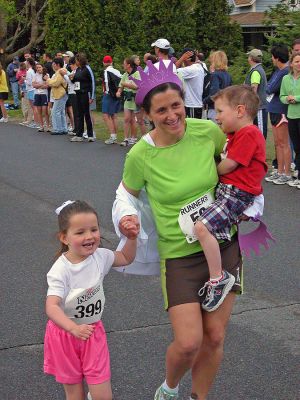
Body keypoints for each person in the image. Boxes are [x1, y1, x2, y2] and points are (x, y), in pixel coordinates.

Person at [115, 59, 246, 400]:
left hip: (221, 245)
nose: (172, 115)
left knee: (215, 336)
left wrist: (247, 202)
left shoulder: (208, 132)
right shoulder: (141, 154)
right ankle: (169, 388)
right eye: (161, 110)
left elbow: (240, 164)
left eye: (176, 105)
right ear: (147, 115)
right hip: (179, 255)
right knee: (189, 342)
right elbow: (125, 195)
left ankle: (198, 397)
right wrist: (126, 218)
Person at [44, 200, 138, 400]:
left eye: (93, 229)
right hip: (65, 336)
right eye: (80, 232)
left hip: (92, 333)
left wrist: (131, 238)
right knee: (74, 394)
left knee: (102, 395)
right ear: (64, 237)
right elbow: (52, 307)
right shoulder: (61, 270)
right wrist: (72, 328)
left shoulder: (101, 257)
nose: (89, 236)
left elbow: (125, 258)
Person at [194, 85, 267, 312]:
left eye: (219, 111)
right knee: (210, 231)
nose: (216, 118)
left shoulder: (249, 133)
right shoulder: (236, 133)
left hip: (236, 194)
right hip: (231, 192)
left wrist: (209, 171)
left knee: (202, 228)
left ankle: (218, 279)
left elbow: (230, 164)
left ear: (240, 111)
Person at [264, 44, 291, 185]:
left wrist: (268, 88)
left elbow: (270, 88)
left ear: (277, 57)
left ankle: (286, 173)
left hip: (281, 111)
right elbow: (268, 86)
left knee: (283, 143)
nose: (272, 59)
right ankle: (280, 171)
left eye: (273, 57)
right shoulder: (278, 71)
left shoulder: (284, 72)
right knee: (277, 144)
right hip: (273, 109)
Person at [280, 51, 300, 189]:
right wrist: (287, 99)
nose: (299, 64)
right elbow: (282, 96)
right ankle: (298, 174)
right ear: (291, 64)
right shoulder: (286, 79)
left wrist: (296, 98)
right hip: (291, 115)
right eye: (297, 61)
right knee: (297, 147)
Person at [69, 53, 94, 142]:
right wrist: (72, 78)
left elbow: (92, 82)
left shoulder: (87, 69)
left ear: (80, 60)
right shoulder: (78, 69)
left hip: (85, 93)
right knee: (79, 114)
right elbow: (75, 81)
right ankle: (79, 134)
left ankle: (90, 134)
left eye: (76, 60)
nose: (75, 62)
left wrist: (92, 96)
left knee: (86, 114)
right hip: (78, 93)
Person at [116, 57, 140, 146]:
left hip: (135, 99)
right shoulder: (125, 74)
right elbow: (120, 85)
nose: (123, 65)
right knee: (126, 119)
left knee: (133, 120)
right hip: (127, 99)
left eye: (124, 63)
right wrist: (118, 91)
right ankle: (126, 139)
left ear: (129, 65)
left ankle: (133, 138)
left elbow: (137, 86)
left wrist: (126, 84)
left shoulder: (137, 73)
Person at [203, 50, 232, 122]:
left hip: (214, 109)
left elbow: (214, 93)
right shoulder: (228, 75)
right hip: (225, 108)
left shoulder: (215, 75)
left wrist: (204, 101)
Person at [245, 49, 268, 138]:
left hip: (259, 107)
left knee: (260, 133)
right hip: (258, 107)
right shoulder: (258, 70)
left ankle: (261, 151)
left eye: (249, 56)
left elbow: (253, 89)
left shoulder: (255, 71)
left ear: (251, 58)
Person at [176, 48, 205, 119]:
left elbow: (171, 71)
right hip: (196, 105)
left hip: (192, 105)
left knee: (192, 128)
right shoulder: (200, 66)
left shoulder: (191, 70)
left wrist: (181, 59)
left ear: (188, 59)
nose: (183, 62)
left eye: (183, 59)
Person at [102, 55, 122, 145]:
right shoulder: (117, 71)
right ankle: (115, 136)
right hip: (116, 95)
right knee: (114, 115)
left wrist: (107, 93)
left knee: (106, 116)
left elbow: (106, 83)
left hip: (108, 95)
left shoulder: (106, 71)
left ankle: (112, 136)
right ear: (111, 62)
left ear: (104, 63)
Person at [45, 57, 68, 135]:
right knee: (61, 112)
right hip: (61, 94)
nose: (52, 65)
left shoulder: (59, 73)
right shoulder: (59, 72)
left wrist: (48, 79)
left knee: (55, 112)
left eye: (54, 64)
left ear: (58, 65)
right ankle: (63, 128)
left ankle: (58, 129)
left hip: (60, 94)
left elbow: (55, 83)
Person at [32, 63, 50, 132]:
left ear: (42, 67)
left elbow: (47, 85)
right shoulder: (35, 75)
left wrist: (38, 85)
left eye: (39, 67)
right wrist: (42, 84)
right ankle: (41, 126)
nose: (38, 69)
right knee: (39, 111)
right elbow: (33, 85)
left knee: (45, 110)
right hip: (37, 94)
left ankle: (48, 126)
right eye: (37, 67)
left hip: (44, 94)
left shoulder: (46, 75)